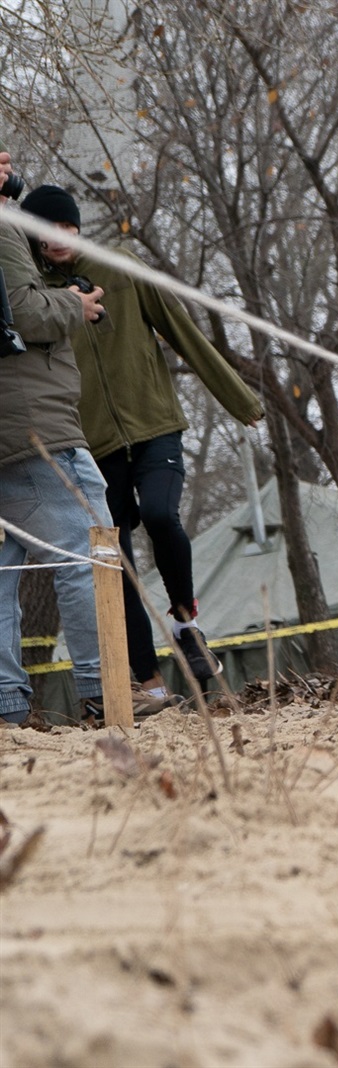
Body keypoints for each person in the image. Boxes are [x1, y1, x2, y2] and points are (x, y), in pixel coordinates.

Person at [20, 183, 264, 699]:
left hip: (154, 425)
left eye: (65, 227)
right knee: (116, 558)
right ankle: (149, 684)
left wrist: (239, 399)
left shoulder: (122, 265)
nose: (58, 240)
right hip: (91, 442)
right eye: (45, 233)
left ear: (78, 226)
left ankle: (183, 618)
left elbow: (181, 328)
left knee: (159, 514)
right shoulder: (35, 294)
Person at [0, 149, 124, 724]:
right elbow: (23, 314)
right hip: (36, 433)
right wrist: (75, 304)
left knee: (3, 580)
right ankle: (107, 692)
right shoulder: (2, 228)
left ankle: (5, 704)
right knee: (89, 556)